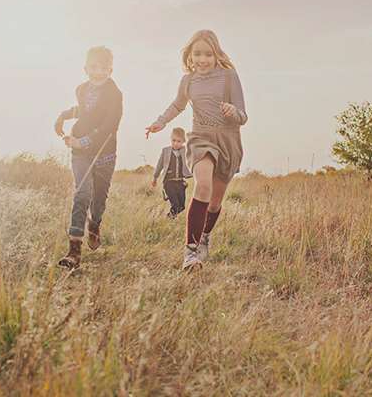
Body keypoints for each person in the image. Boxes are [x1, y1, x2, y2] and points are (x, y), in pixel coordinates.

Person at [146, 30, 248, 270]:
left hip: (228, 141)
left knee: (214, 202)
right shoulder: (188, 81)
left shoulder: (229, 76)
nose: (202, 59)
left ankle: (204, 236)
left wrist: (233, 112)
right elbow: (177, 105)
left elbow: (243, 115)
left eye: (208, 54)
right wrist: (161, 122)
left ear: (216, 55)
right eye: (197, 54)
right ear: (190, 56)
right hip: (201, 138)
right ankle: (190, 252)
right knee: (202, 185)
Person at [54, 46, 123, 269]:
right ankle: (74, 250)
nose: (98, 72)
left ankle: (95, 224)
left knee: (99, 200)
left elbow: (109, 124)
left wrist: (84, 141)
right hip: (80, 153)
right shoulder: (81, 89)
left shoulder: (115, 94)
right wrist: (63, 116)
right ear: (86, 68)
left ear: (110, 70)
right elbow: (84, 110)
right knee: (82, 193)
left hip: (104, 152)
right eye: (94, 67)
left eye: (104, 68)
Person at [152, 127, 192, 219]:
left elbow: (193, 158)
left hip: (180, 183)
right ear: (170, 139)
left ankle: (170, 217)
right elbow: (159, 165)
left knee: (181, 207)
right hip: (168, 182)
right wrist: (155, 177)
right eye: (173, 140)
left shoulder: (186, 151)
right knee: (176, 205)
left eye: (179, 141)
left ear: (183, 141)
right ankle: (168, 219)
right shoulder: (165, 151)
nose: (175, 143)